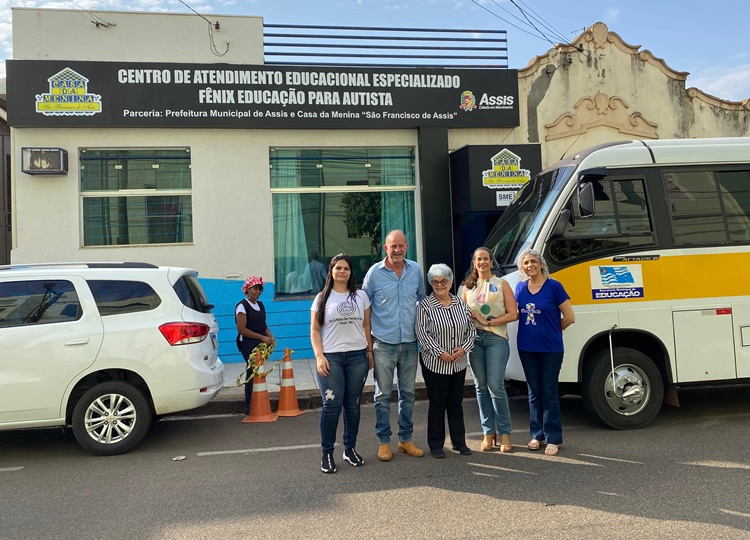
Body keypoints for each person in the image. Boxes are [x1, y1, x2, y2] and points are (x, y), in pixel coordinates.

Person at [362, 229, 426, 461]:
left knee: (408, 394)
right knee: (382, 395)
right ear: (385, 248)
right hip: (383, 344)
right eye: (392, 246)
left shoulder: (415, 270)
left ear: (406, 247)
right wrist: (368, 347)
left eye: (401, 246)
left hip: (410, 343)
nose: (397, 250)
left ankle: (405, 440)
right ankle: (383, 442)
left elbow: (422, 299)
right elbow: (364, 309)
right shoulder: (374, 274)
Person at [311, 253, 373, 474]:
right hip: (332, 358)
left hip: (357, 357)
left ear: (350, 272)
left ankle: (350, 448)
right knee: (331, 406)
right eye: (338, 268)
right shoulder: (322, 298)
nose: (342, 272)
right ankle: (327, 453)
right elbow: (315, 330)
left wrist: (369, 351)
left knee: (353, 405)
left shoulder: (361, 297)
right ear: (331, 271)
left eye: (346, 268)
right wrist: (320, 356)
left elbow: (366, 326)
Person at [514, 249, 575, 456]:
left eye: (533, 261)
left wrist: (552, 330)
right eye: (525, 263)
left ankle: (553, 438)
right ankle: (536, 435)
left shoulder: (554, 286)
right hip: (526, 347)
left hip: (551, 349)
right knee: (534, 393)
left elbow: (569, 316)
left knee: (549, 391)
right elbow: (513, 312)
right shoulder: (520, 288)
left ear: (541, 264)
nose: (529, 265)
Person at [416, 264, 476, 458]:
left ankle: (459, 442)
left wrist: (464, 349)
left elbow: (471, 330)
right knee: (437, 404)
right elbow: (422, 334)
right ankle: (435, 445)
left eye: (443, 281)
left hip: (458, 363)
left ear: (450, 281)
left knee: (456, 403)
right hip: (435, 364)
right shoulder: (425, 306)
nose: (439, 285)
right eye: (435, 281)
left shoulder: (461, 303)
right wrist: (439, 352)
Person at [462, 247, 518, 452]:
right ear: (474, 263)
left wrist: (489, 321)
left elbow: (513, 314)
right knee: (480, 387)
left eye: (486, 259)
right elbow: (462, 315)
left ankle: (505, 433)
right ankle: (488, 432)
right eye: (479, 259)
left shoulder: (501, 284)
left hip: (496, 339)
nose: (482, 262)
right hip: (474, 341)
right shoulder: (467, 287)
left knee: (496, 386)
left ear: (491, 262)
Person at [235, 276, 275, 416]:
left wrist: (270, 336)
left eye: (260, 289)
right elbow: (242, 329)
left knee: (258, 370)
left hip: (260, 341)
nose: (258, 291)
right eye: (255, 289)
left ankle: (258, 399)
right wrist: (261, 337)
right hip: (247, 342)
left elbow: (263, 325)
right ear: (248, 289)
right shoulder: (242, 306)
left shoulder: (261, 305)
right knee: (252, 370)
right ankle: (249, 403)